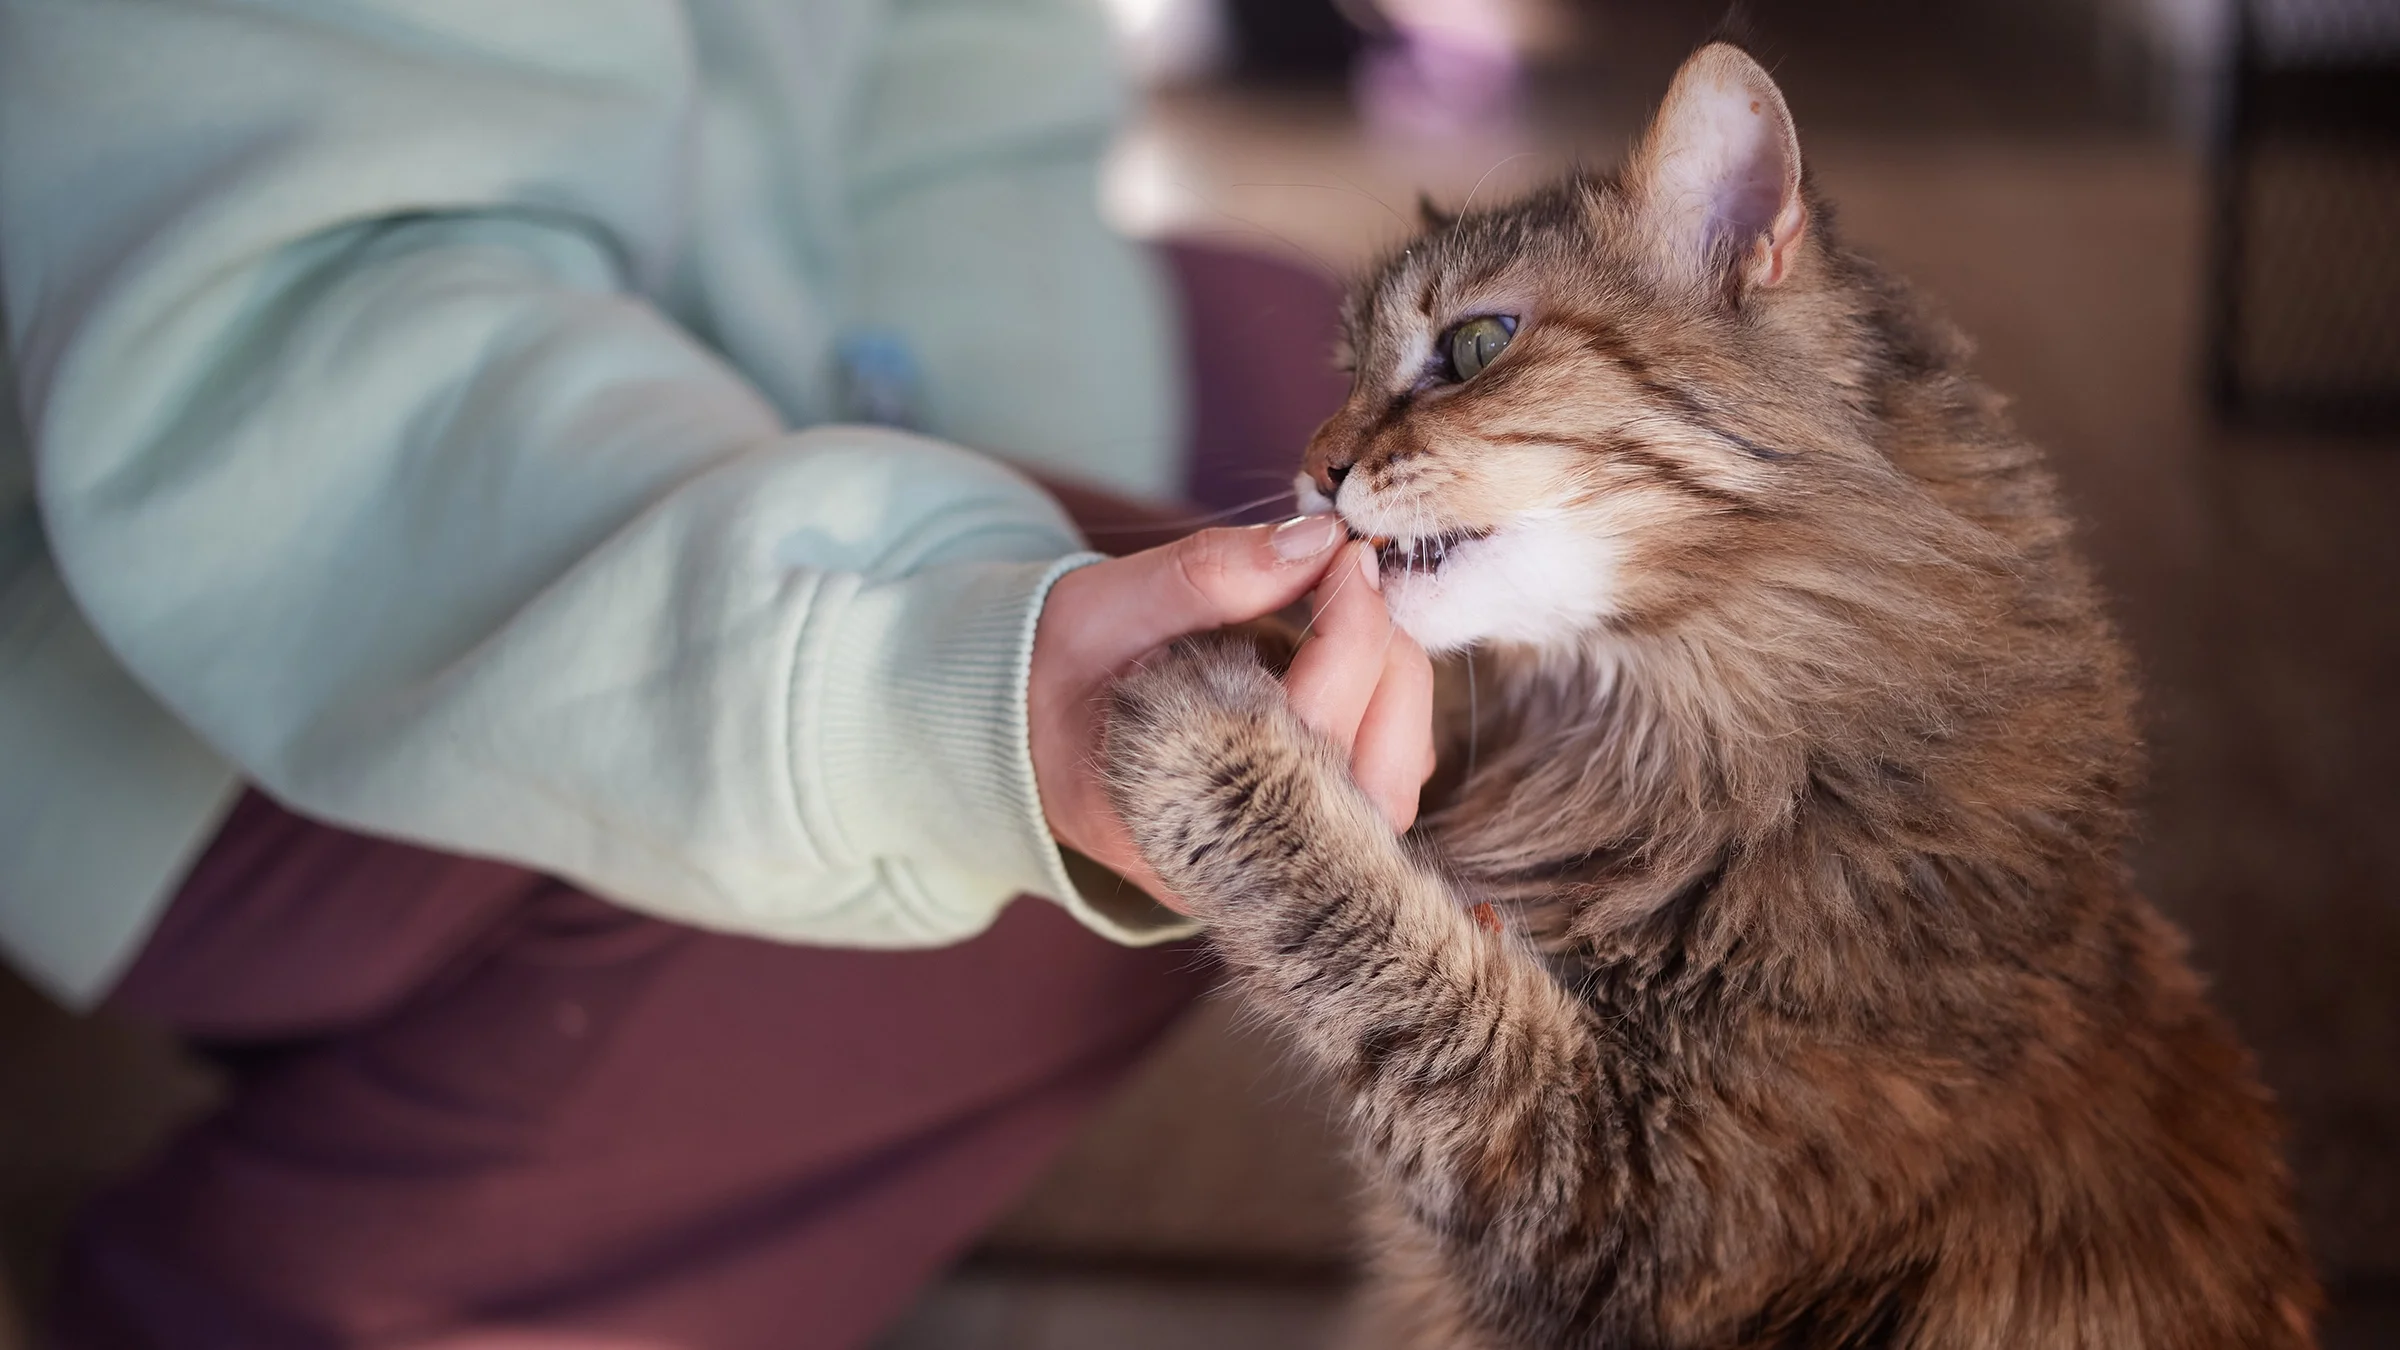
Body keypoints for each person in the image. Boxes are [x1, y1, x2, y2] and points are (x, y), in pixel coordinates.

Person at [0, 1, 1433, 1345]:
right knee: (1142, 746)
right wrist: (930, 672)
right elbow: (308, 368)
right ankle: (311, 1294)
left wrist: (1001, 511)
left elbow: (965, 111)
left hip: (684, 361)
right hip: (189, 589)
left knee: (1267, 384)